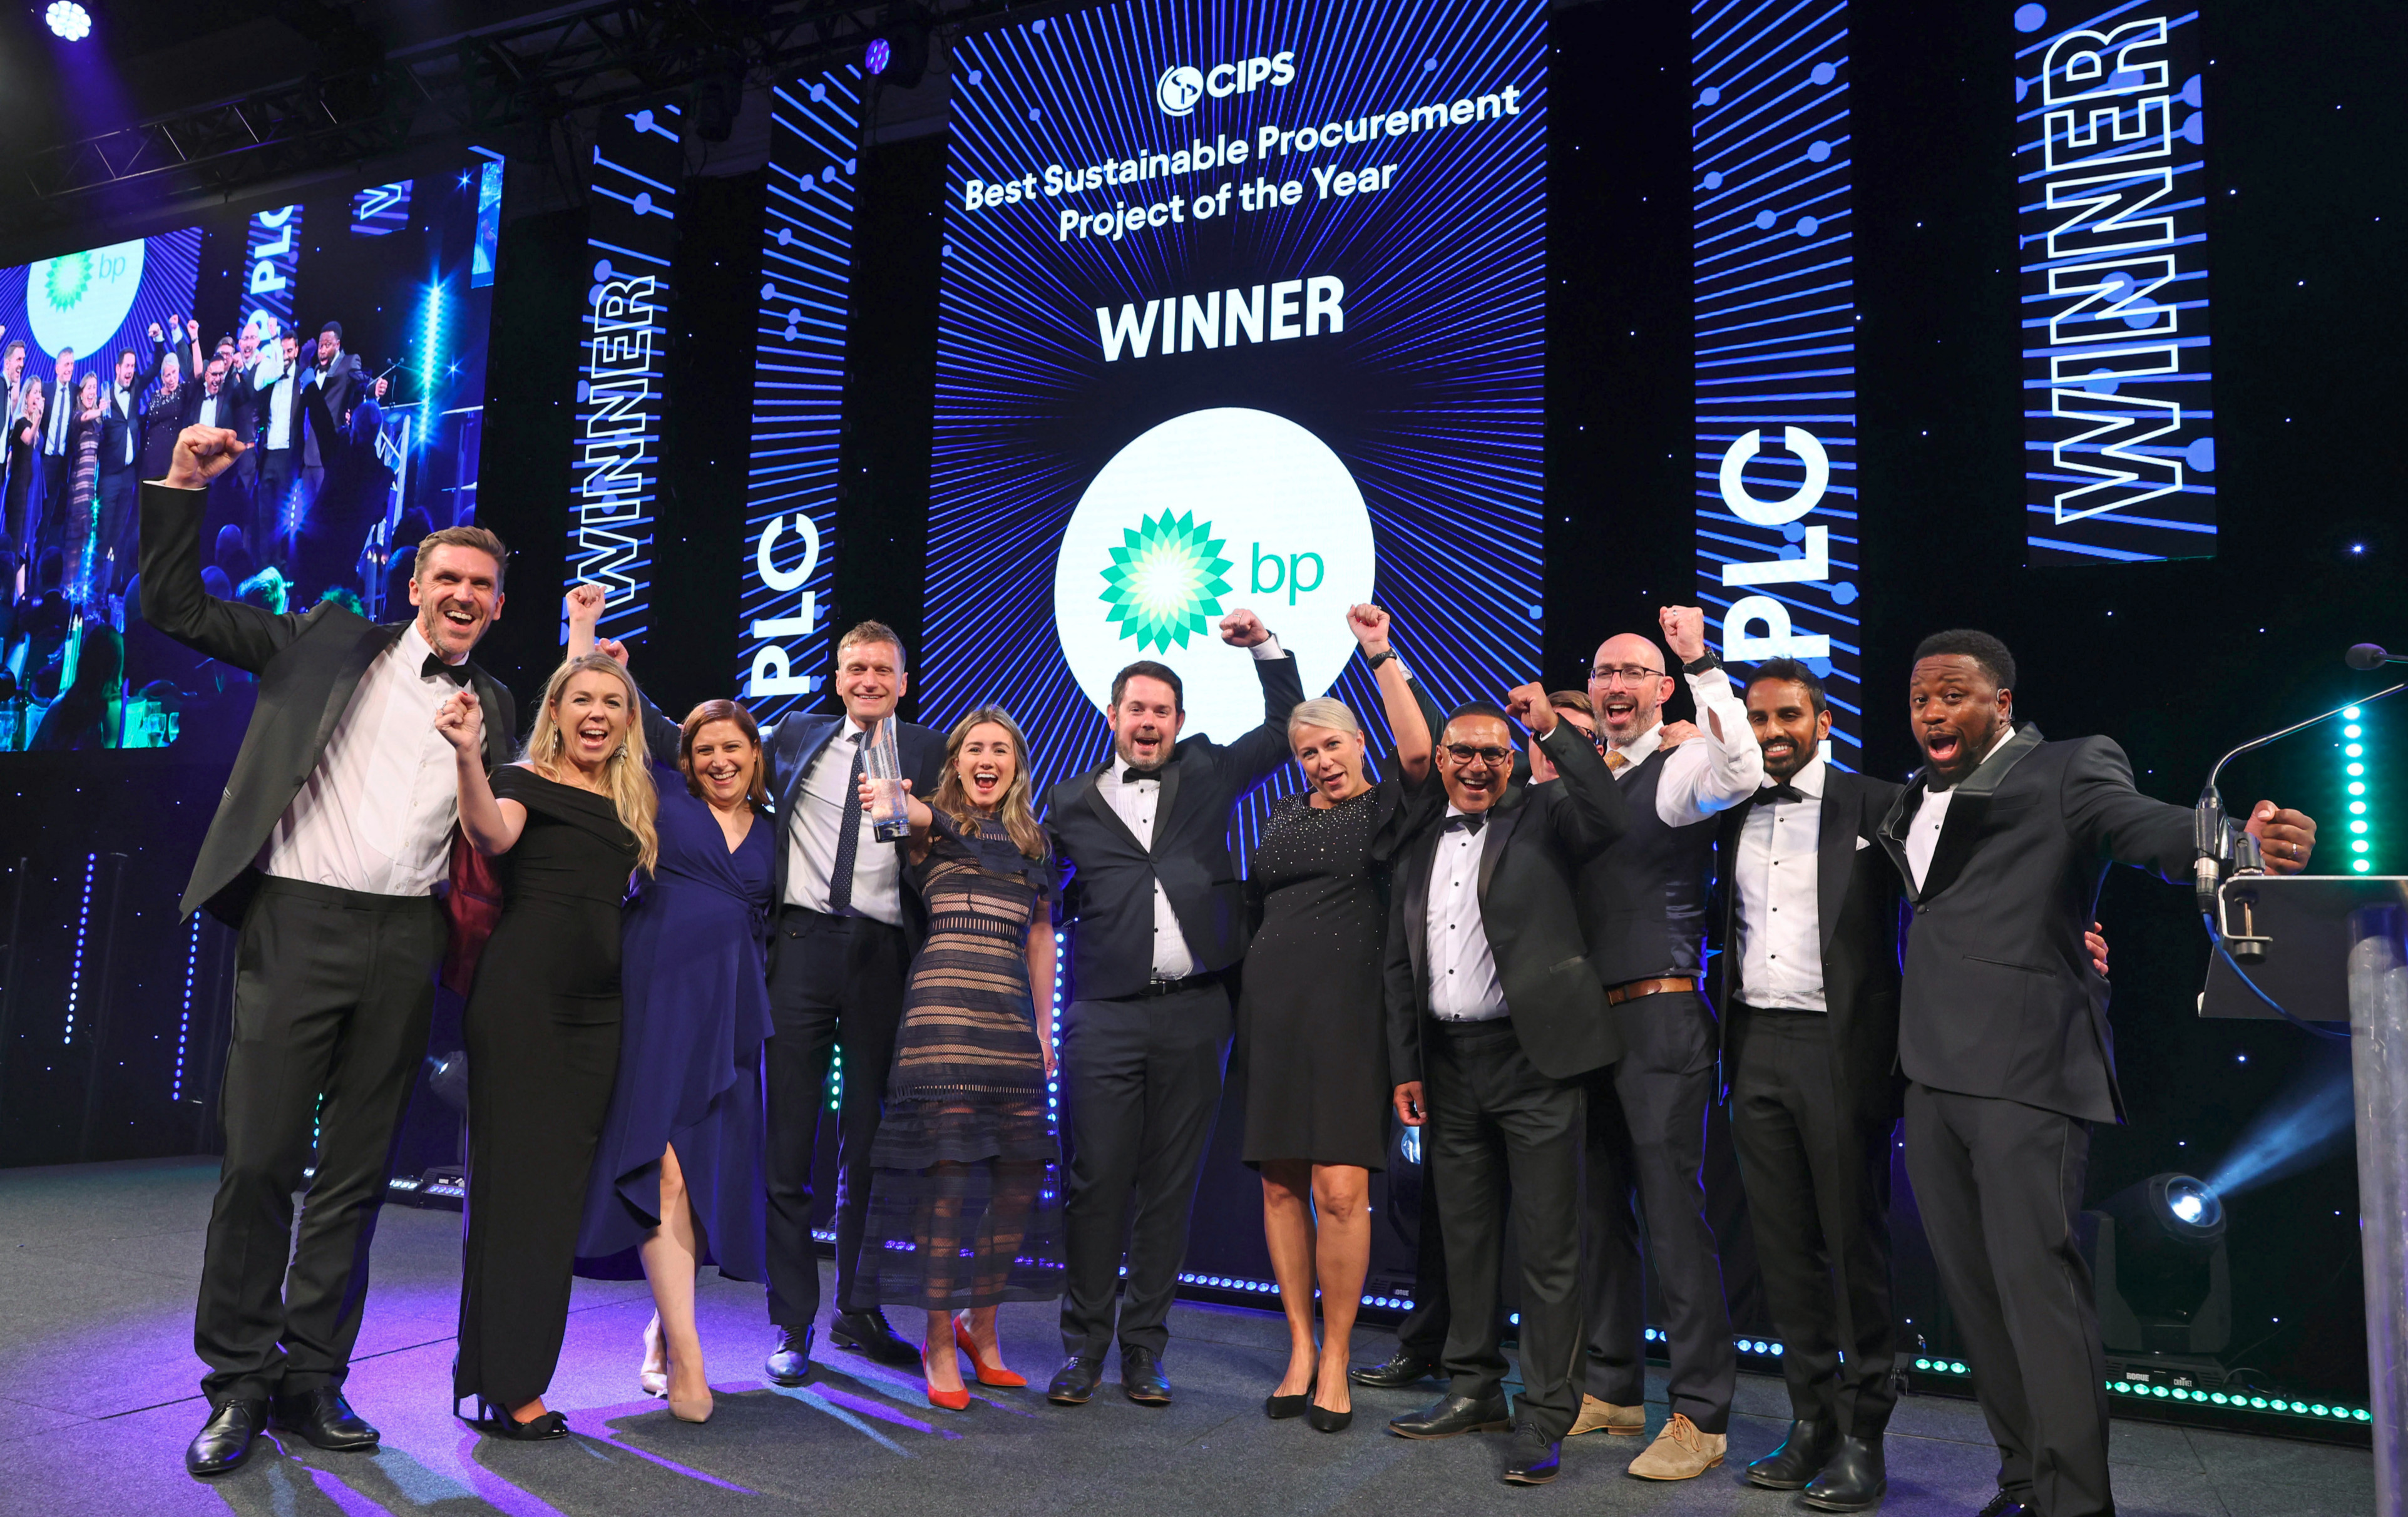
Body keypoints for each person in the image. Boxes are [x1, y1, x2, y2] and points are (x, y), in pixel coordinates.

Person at [138, 423, 516, 1479]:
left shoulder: (492, 703)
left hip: (408, 936)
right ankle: (237, 1381)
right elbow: (176, 608)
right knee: (260, 1157)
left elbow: (497, 834)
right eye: (448, 577)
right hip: (299, 919)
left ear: (497, 606)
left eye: (481, 585)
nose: (463, 595)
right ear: (415, 584)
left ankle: (312, 1377)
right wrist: (181, 485)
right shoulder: (325, 640)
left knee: (355, 1173)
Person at [1876, 630, 2316, 1517]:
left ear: (2000, 703)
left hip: (2026, 1069)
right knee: (1974, 1297)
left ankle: (2075, 1502)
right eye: (1921, 698)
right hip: (1928, 1076)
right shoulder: (1908, 798)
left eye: (1953, 695)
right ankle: (2019, 1481)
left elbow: (2147, 827)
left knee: (2036, 1289)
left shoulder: (2067, 767)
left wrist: (2239, 842)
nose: (1932, 711)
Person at [1042, 609, 1302, 1408]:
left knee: (1169, 1186)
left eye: (1161, 711)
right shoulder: (1068, 803)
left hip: (1196, 1012)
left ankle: (1143, 1350)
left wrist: (1264, 648)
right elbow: (1038, 894)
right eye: (1136, 709)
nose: (1148, 722)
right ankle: (1083, 1348)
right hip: (1102, 1014)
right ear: (1112, 715)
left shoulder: (1209, 771)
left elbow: (1284, 726)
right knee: (1095, 1182)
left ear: (1179, 721)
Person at [1383, 689, 1629, 1485]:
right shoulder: (1420, 838)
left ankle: (1546, 1413)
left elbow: (1609, 812)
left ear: (1513, 759)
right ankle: (1473, 1389)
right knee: (1465, 1241)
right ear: (1440, 760)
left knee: (1550, 1251)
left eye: (1494, 752)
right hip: (1448, 1066)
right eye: (1462, 751)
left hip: (1536, 1061)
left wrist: (1550, 729)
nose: (1478, 765)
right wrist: (1406, 1066)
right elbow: (1398, 963)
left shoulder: (1546, 814)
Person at [566, 587, 774, 1427]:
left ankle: (663, 1326)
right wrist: (584, 633)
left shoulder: (776, 827)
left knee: (702, 1177)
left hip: (731, 1011)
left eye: (732, 747)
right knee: (663, 1170)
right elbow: (593, 710)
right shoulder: (660, 796)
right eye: (704, 749)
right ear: (685, 758)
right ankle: (688, 1357)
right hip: (656, 996)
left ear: (755, 754)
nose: (719, 760)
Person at [442, 651, 657, 1438]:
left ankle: (506, 1375)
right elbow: (489, 834)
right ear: (556, 713)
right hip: (523, 1004)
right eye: (581, 700)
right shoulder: (523, 780)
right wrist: (469, 755)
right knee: (515, 1193)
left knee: (556, 1199)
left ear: (630, 720)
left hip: (597, 1016)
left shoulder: (634, 799)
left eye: (612, 702)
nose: (596, 713)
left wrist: (588, 638)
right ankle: (507, 1385)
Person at [1566, 606, 1757, 1479]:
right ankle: (1610, 1390)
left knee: (1673, 1218)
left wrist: (1702, 663)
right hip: (1586, 1023)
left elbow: (1741, 770)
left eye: (1633, 673)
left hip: (1661, 1016)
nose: (1615, 685)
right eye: (1603, 672)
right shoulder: (1580, 778)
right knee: (1597, 1210)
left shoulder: (1682, 765)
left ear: (1659, 691)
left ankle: (1700, 1415)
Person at [1244, 604, 1433, 1433]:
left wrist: (1379, 654)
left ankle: (1336, 1357)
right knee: (1280, 1185)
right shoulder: (1285, 815)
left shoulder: (1388, 803)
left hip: (1353, 1017)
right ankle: (1297, 1346)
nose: (1320, 761)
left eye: (1331, 745)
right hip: (1273, 1016)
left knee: (1341, 1191)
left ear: (1358, 743)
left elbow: (1420, 751)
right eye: (1306, 752)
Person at [848, 705, 1064, 1409]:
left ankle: (981, 1325)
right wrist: (889, 786)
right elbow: (896, 809)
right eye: (974, 748)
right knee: (946, 1185)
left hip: (1010, 1023)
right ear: (956, 762)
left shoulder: (1035, 843)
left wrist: (1044, 1031)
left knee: (1018, 1180)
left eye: (999, 749)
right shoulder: (932, 826)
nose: (986, 759)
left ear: (1016, 764)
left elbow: (1041, 938)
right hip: (941, 1019)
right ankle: (939, 1341)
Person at [759, 621, 950, 1380]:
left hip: (884, 956)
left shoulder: (931, 752)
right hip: (801, 946)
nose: (868, 680)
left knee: (869, 1144)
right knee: (788, 1140)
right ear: (838, 678)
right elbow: (700, 743)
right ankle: (792, 1321)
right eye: (855, 668)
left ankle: (857, 1308)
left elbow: (974, 825)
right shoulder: (795, 734)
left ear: (902, 683)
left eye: (882, 670)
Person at [254, 330, 301, 563]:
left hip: (288, 456)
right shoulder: (271, 376)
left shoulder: (303, 378)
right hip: (268, 453)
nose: (285, 356)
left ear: (297, 351)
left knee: (284, 517)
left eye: (289, 351)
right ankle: (264, 566)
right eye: (282, 351)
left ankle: (282, 566)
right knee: (264, 515)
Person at [5, 377, 41, 555]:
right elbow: (28, 439)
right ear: (26, 396)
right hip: (19, 488)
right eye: (35, 392)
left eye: (40, 393)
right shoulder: (20, 421)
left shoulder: (33, 422)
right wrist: (39, 417)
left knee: (25, 538)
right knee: (15, 535)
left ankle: (22, 573)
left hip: (31, 486)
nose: (38, 396)